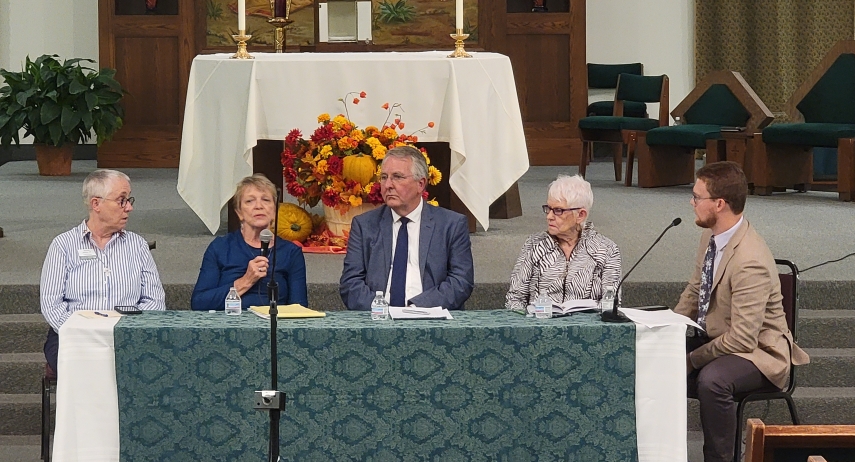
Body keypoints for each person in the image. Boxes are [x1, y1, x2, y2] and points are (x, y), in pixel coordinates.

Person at [675, 162, 809, 462]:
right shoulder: (711, 235)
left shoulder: (750, 259)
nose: (691, 203)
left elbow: (742, 340)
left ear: (719, 204)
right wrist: (669, 330)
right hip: (717, 335)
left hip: (759, 352)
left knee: (712, 379)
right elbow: (695, 291)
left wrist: (691, 359)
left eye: (697, 197)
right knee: (656, 360)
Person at [40, 169, 166, 373]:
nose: (129, 208)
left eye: (129, 199)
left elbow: (155, 300)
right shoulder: (63, 245)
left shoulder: (137, 245)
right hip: (74, 337)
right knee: (86, 366)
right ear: (96, 204)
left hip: (128, 335)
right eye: (121, 200)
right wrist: (83, 334)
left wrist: (129, 331)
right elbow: (51, 304)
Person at [340, 146, 474, 310]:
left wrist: (414, 309)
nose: (388, 185)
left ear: (421, 184)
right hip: (379, 322)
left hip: (431, 321)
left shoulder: (451, 224)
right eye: (384, 177)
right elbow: (351, 284)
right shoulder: (364, 225)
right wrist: (384, 311)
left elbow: (460, 282)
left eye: (397, 177)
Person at [505, 174, 621, 312]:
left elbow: (611, 303)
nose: (549, 216)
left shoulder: (606, 249)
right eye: (548, 209)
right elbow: (515, 299)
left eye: (558, 211)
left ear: (581, 215)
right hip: (541, 327)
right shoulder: (534, 245)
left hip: (587, 329)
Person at [192, 174, 308, 310]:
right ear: (239, 212)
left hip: (273, 327)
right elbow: (199, 303)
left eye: (266, 200)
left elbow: (300, 309)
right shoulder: (220, 248)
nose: (259, 206)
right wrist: (246, 281)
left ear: (274, 211)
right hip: (229, 326)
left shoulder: (291, 252)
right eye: (250, 201)